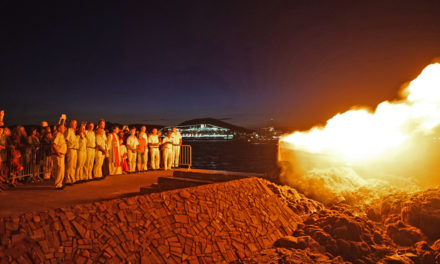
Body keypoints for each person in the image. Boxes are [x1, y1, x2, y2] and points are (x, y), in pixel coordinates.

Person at [52, 120, 67, 189]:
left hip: (61, 154)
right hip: (58, 154)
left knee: (61, 170)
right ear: (59, 129)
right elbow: (54, 145)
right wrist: (58, 153)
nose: (64, 129)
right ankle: (58, 184)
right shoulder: (57, 134)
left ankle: (60, 183)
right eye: (63, 128)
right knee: (59, 169)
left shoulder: (61, 135)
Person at [65, 120, 78, 184]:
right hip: (70, 149)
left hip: (75, 149)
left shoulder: (73, 132)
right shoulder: (69, 130)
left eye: (76, 124)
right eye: (75, 124)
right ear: (71, 124)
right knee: (69, 165)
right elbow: (66, 140)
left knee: (73, 165)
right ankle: (68, 179)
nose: (76, 125)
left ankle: (72, 178)